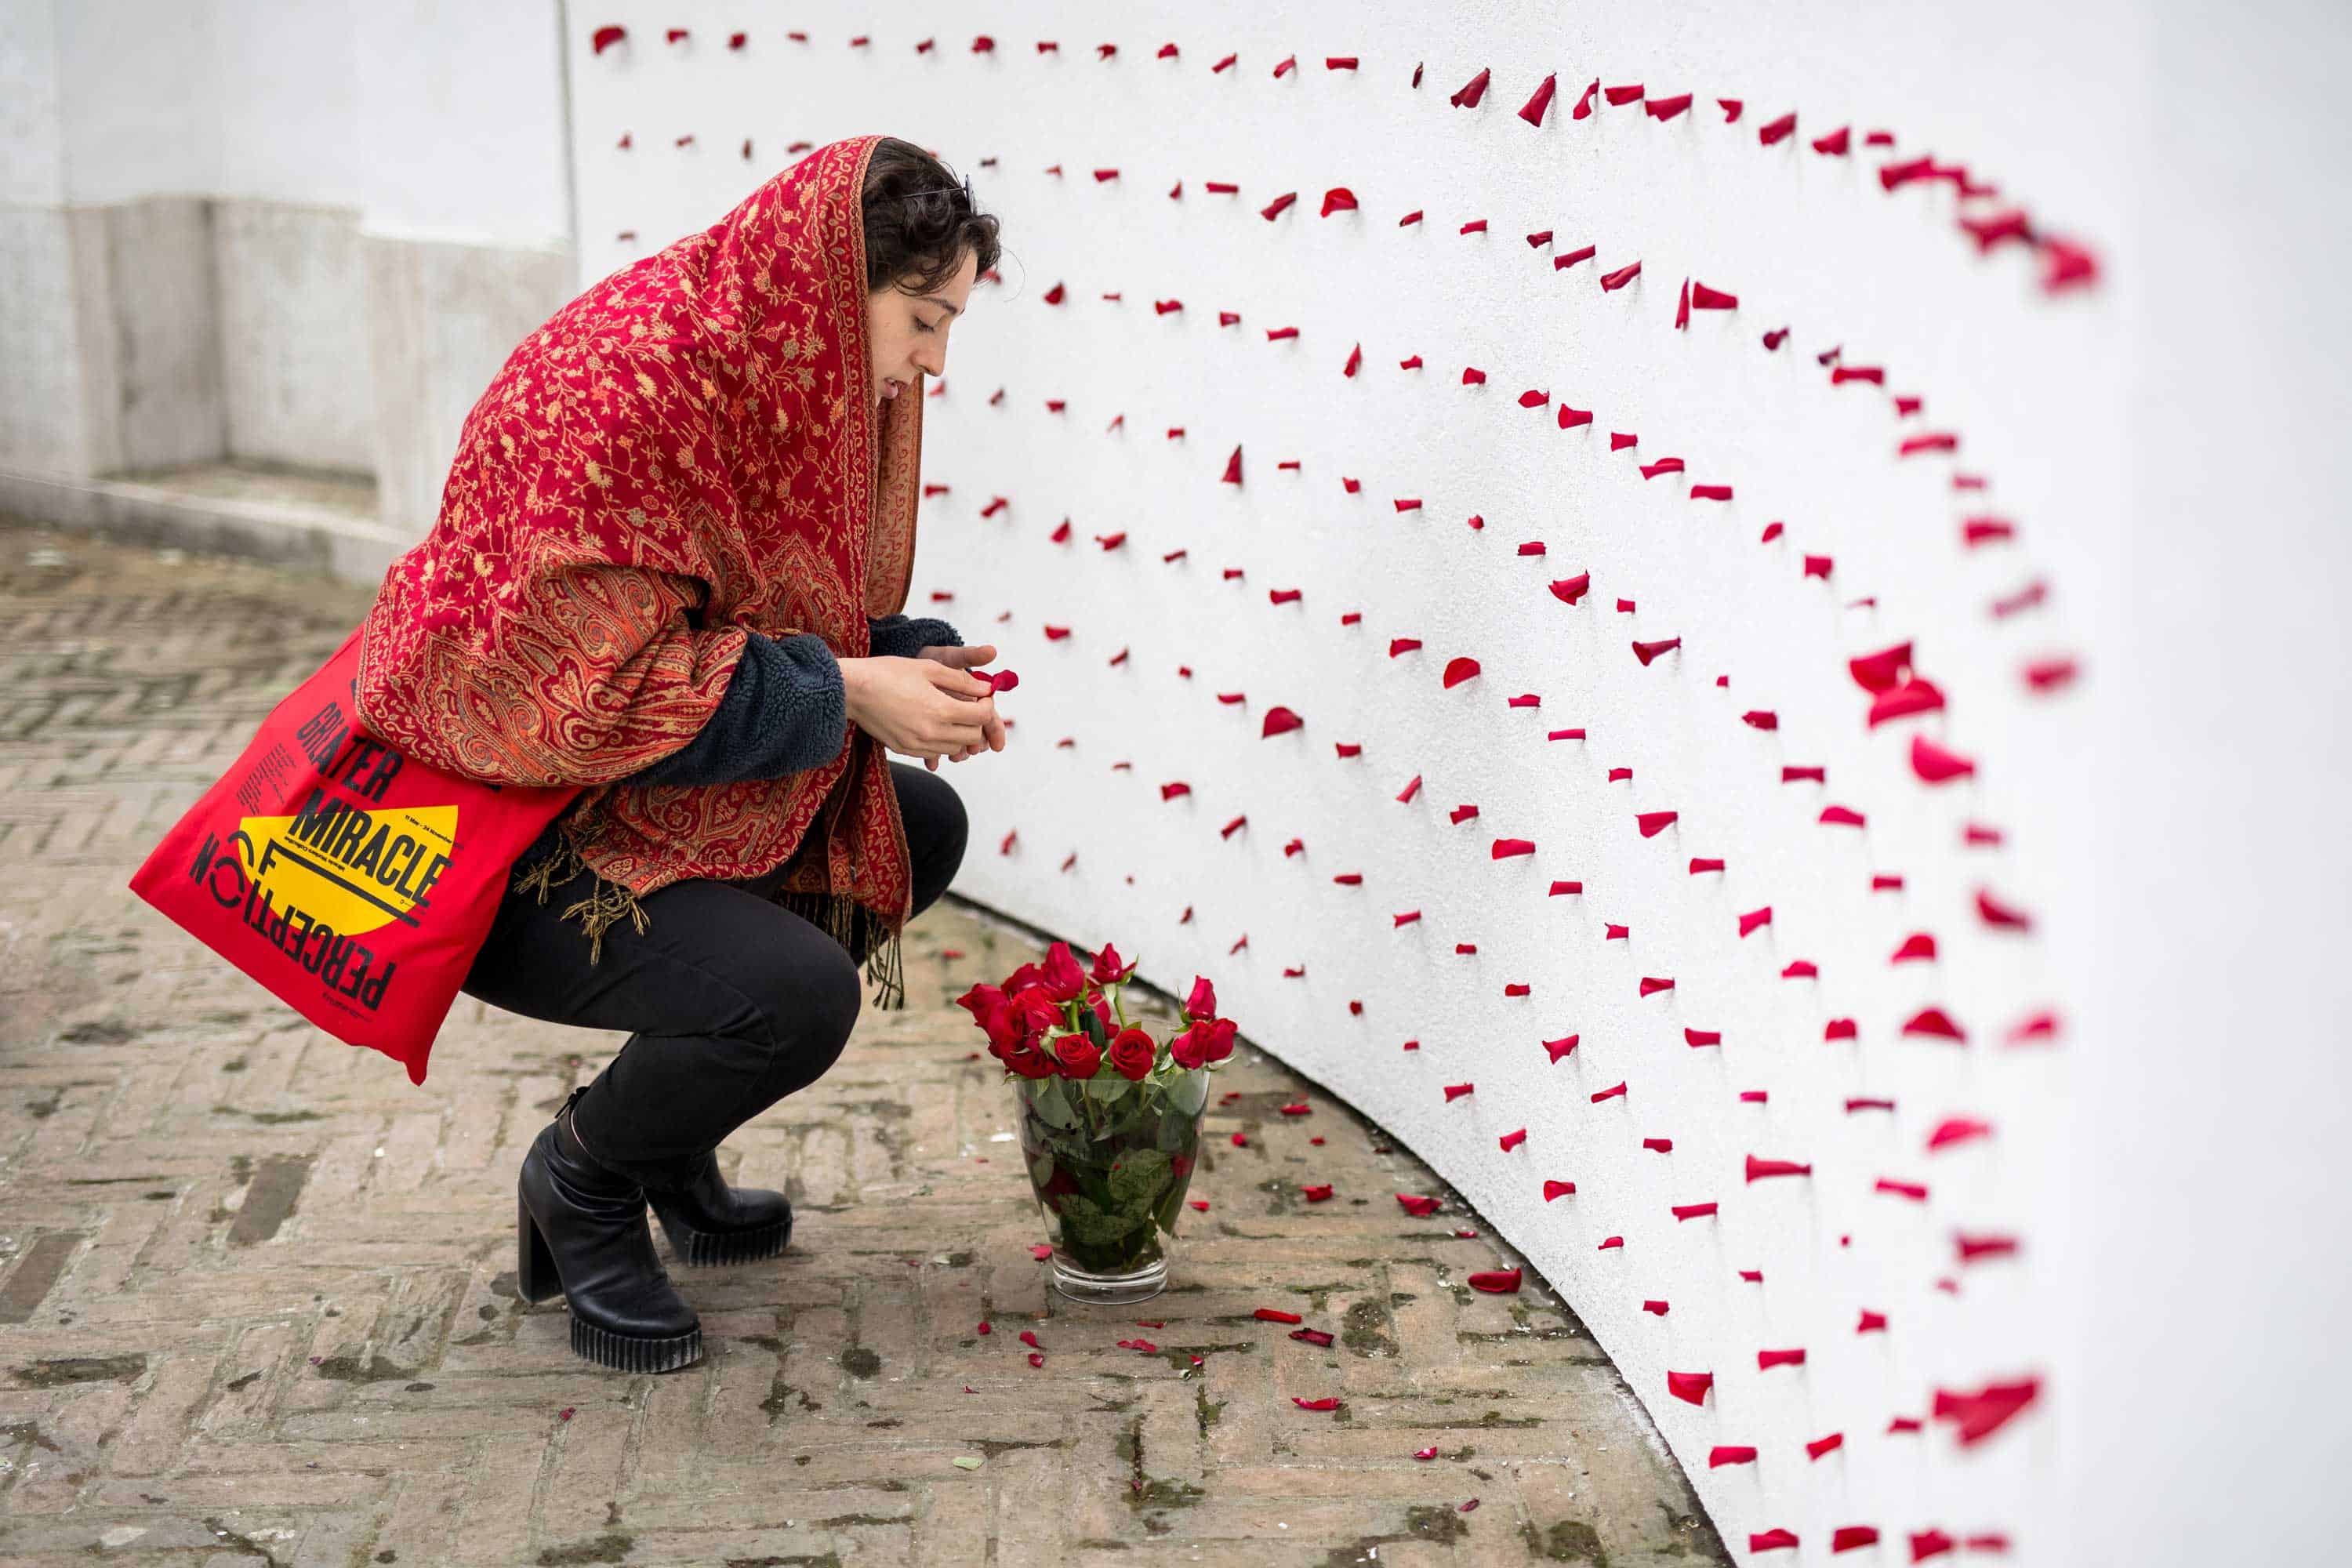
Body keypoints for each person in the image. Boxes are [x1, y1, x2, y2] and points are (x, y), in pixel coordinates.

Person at [350, 135, 1005, 1372]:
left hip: (617, 794)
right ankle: (587, 1179)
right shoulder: (631, 384)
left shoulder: (758, 372)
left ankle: (661, 1138)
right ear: (828, 284)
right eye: (923, 319)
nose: (932, 362)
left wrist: (896, 662)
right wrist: (851, 689)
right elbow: (589, 694)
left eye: (949, 326)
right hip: (499, 827)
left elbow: (736, 607)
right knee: (797, 996)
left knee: (917, 830)